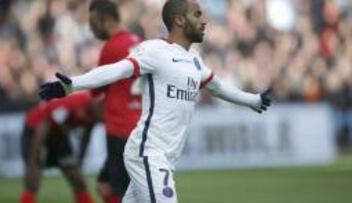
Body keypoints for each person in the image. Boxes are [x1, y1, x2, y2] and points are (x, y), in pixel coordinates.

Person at [39, 0, 272, 202]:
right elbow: (119, 70)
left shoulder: (194, 61)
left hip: (165, 158)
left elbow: (219, 88)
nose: (204, 21)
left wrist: (254, 100)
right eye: (197, 14)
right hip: (147, 153)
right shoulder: (155, 50)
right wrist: (72, 86)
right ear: (179, 20)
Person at [88, 1, 142, 202]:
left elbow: (96, 90)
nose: (92, 29)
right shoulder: (139, 42)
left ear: (106, 20)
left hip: (120, 129)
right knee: (106, 184)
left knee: (120, 192)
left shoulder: (111, 48)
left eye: (93, 23)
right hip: (140, 128)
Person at [20, 92, 101, 203]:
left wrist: (80, 161)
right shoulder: (74, 104)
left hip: (58, 135)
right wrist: (33, 161)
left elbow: (86, 136)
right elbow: (45, 126)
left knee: (77, 179)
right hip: (35, 129)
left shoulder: (97, 113)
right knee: (33, 178)